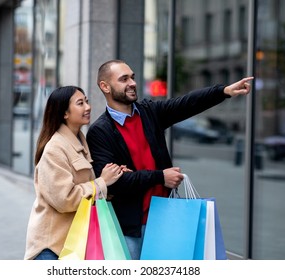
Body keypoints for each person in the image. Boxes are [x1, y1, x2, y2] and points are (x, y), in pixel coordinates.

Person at [86, 59, 253, 260]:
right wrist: (160, 177)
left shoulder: (149, 112)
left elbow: (186, 104)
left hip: (165, 219)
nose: (132, 83)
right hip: (129, 229)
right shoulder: (100, 132)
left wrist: (223, 91)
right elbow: (114, 184)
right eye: (124, 79)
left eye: (132, 77)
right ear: (105, 86)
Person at [24, 85, 128, 260]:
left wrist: (113, 175)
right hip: (52, 248)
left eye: (86, 101)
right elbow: (65, 199)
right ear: (65, 113)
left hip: (75, 244)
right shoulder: (55, 148)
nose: (88, 107)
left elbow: (88, 187)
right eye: (80, 103)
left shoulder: (80, 142)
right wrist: (102, 182)